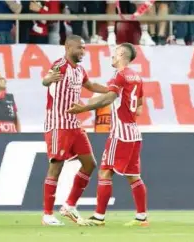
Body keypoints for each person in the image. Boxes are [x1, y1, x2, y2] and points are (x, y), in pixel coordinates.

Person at [67, 43, 148, 227]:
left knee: (105, 171)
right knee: (133, 176)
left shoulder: (119, 75)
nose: (112, 55)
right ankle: (142, 217)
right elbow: (140, 107)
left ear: (121, 54)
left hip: (120, 133)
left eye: (115, 52)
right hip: (134, 132)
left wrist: (84, 108)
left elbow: (109, 98)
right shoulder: (136, 76)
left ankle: (99, 217)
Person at [41, 34, 108, 226]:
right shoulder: (60, 65)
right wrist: (47, 79)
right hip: (58, 123)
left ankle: (69, 205)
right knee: (56, 167)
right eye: (79, 48)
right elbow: (47, 79)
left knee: (90, 164)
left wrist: (112, 89)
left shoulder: (79, 70)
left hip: (74, 124)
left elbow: (90, 85)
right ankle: (47, 214)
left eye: (84, 48)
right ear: (68, 46)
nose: (83, 52)